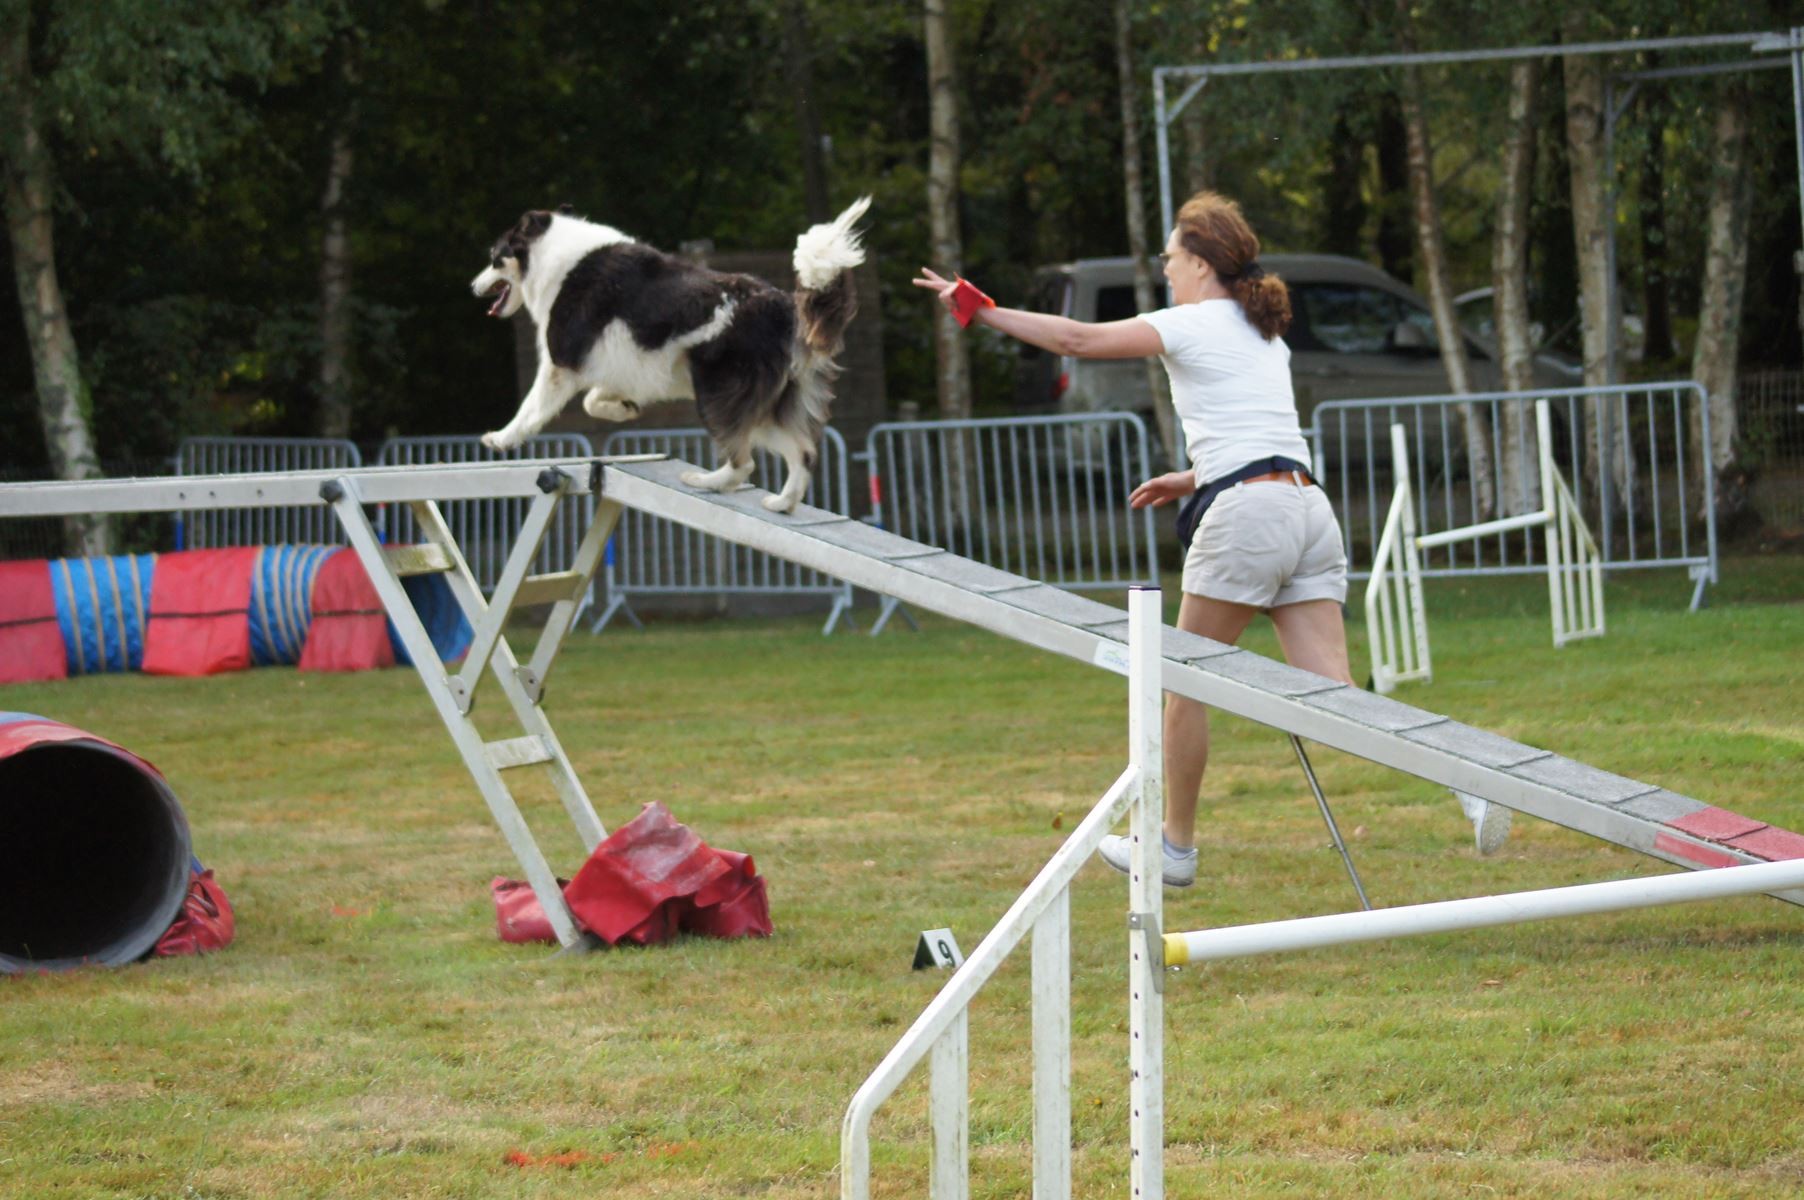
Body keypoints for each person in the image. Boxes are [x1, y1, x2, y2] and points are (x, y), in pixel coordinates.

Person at [914, 191, 1509, 885]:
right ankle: (1469, 778)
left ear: (1199, 262)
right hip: (1306, 508)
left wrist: (977, 308)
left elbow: (1079, 340)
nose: (1166, 271)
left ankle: (1173, 848)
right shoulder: (1264, 332)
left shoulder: (1193, 322)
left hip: (1251, 517)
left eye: (1170, 258)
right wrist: (1194, 477)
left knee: (1182, 679)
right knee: (1337, 698)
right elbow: (1259, 433)